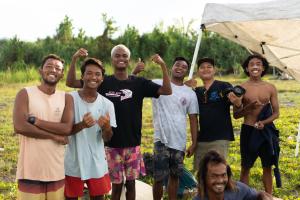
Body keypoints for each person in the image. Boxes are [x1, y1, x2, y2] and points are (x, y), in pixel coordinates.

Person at [66, 45, 171, 200]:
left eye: (124, 56)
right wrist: (74, 59)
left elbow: (167, 90)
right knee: (115, 186)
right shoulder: (103, 81)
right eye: (117, 56)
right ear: (112, 59)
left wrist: (162, 65)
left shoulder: (139, 83)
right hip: (111, 144)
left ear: (129, 60)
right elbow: (71, 82)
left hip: (132, 143)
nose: (121, 58)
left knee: (131, 185)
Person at [13, 54, 74, 200]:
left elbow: (66, 129)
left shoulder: (66, 98)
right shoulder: (25, 93)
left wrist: (36, 121)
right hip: (30, 170)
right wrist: (54, 135)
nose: (53, 70)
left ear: (62, 74)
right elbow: (20, 126)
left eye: (57, 68)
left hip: (56, 170)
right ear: (41, 71)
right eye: (49, 66)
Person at [64, 58, 117, 199]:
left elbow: (107, 138)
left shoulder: (107, 104)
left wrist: (106, 127)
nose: (93, 77)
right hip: (73, 161)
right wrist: (82, 125)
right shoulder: (70, 98)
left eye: (97, 74)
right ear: (82, 76)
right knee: (70, 197)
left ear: (102, 78)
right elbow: (64, 131)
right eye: (89, 73)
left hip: (97, 162)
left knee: (98, 197)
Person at [148, 57, 198, 200]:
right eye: (177, 65)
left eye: (184, 67)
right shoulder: (157, 83)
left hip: (179, 141)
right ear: (171, 67)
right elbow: (136, 85)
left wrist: (194, 143)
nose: (180, 68)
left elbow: (193, 118)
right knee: (158, 177)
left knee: (175, 177)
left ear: (186, 71)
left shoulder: (190, 93)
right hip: (161, 140)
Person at [234, 54, 279, 194]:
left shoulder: (270, 87)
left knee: (267, 166)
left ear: (263, 68)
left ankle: (269, 196)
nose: (255, 66)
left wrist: (263, 123)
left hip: (266, 131)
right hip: (248, 130)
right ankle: (243, 196)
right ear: (247, 68)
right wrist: (249, 108)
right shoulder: (241, 88)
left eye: (258, 64)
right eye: (251, 64)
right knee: (245, 166)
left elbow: (276, 113)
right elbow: (236, 115)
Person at [193, 58, 243, 170]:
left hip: (220, 137)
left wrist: (238, 102)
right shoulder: (196, 91)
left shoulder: (224, 86)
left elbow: (238, 107)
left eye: (209, 67)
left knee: (217, 170)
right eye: (202, 67)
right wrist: (186, 87)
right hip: (202, 138)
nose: (206, 69)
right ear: (198, 72)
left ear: (214, 70)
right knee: (200, 171)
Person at [193, 150, 273, 200]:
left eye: (223, 175)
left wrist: (264, 197)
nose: (220, 180)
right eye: (214, 176)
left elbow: (259, 194)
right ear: (203, 177)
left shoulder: (238, 190)